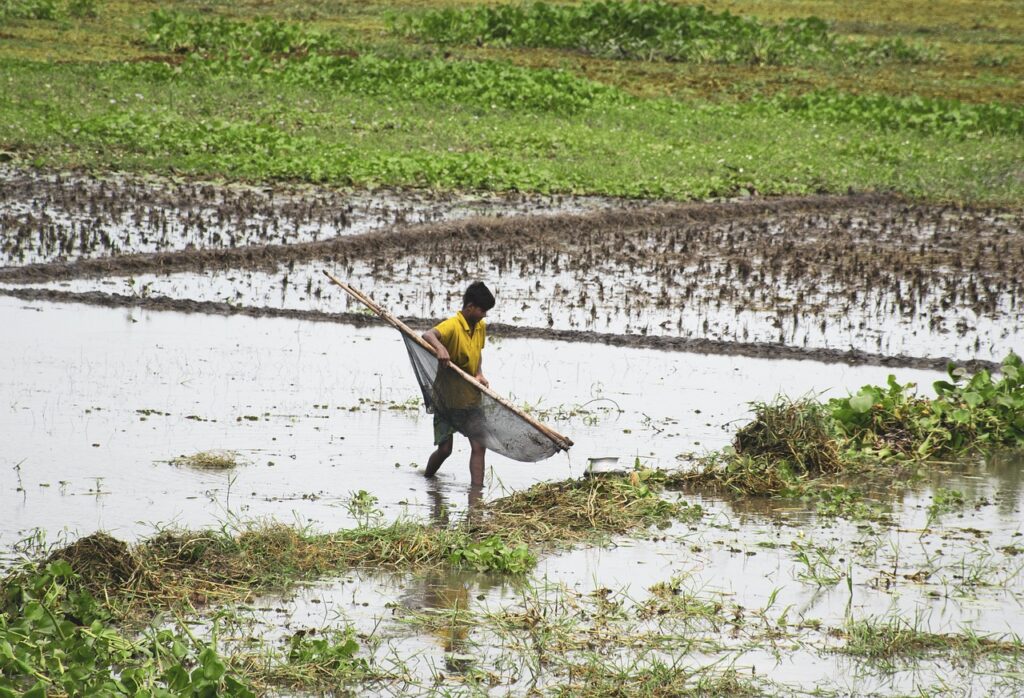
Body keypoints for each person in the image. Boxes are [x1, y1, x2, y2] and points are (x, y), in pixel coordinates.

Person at [422, 281, 495, 487]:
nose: (484, 315)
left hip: (470, 397)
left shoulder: (479, 326)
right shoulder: (453, 325)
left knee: (479, 446)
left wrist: (479, 373)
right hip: (447, 399)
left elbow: (477, 351)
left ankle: (477, 493)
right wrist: (440, 348)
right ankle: (428, 481)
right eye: (482, 310)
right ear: (470, 307)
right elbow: (428, 335)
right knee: (445, 450)